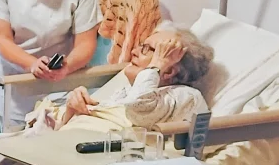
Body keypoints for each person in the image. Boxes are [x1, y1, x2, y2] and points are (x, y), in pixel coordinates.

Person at [57, 24, 213, 129]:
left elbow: (138, 108)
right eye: (141, 46)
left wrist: (158, 64)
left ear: (170, 71)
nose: (134, 52)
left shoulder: (185, 96)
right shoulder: (126, 90)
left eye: (147, 49)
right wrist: (72, 110)